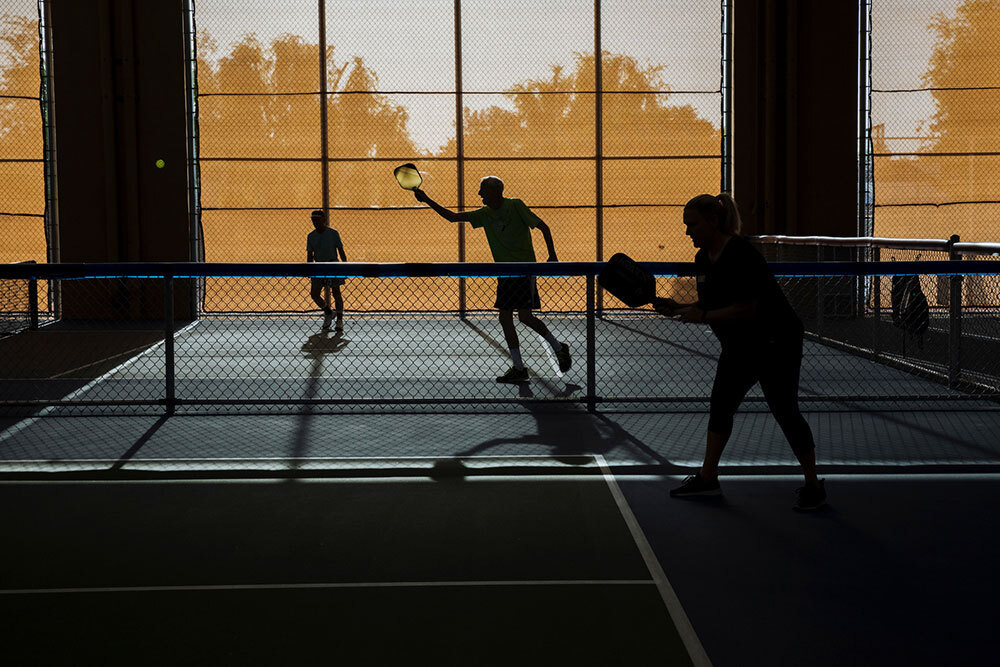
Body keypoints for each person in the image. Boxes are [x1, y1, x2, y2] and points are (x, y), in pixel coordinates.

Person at [655, 193, 826, 511]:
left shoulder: (742, 253)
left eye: (692, 224)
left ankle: (814, 486)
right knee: (720, 405)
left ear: (713, 221)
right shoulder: (703, 260)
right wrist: (677, 308)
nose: (687, 232)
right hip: (740, 345)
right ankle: (708, 479)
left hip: (775, 341)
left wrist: (703, 316)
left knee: (785, 411)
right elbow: (709, 306)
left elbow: (748, 307)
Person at [413, 176, 571, 383]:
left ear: (495, 192)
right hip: (504, 273)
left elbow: (544, 227)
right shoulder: (484, 214)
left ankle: (559, 348)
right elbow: (452, 217)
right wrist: (427, 200)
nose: (479, 194)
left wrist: (553, 256)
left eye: (482, 190)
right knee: (505, 319)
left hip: (524, 270)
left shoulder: (516, 205)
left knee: (525, 317)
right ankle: (519, 368)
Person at [306, 209, 347, 332]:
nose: (315, 222)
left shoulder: (333, 233)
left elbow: (341, 251)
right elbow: (309, 255)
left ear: (324, 220)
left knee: (336, 292)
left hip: (333, 266)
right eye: (313, 220)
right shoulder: (311, 236)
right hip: (318, 267)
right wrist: (310, 269)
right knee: (314, 294)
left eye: (317, 220)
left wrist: (345, 267)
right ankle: (329, 312)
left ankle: (339, 319)